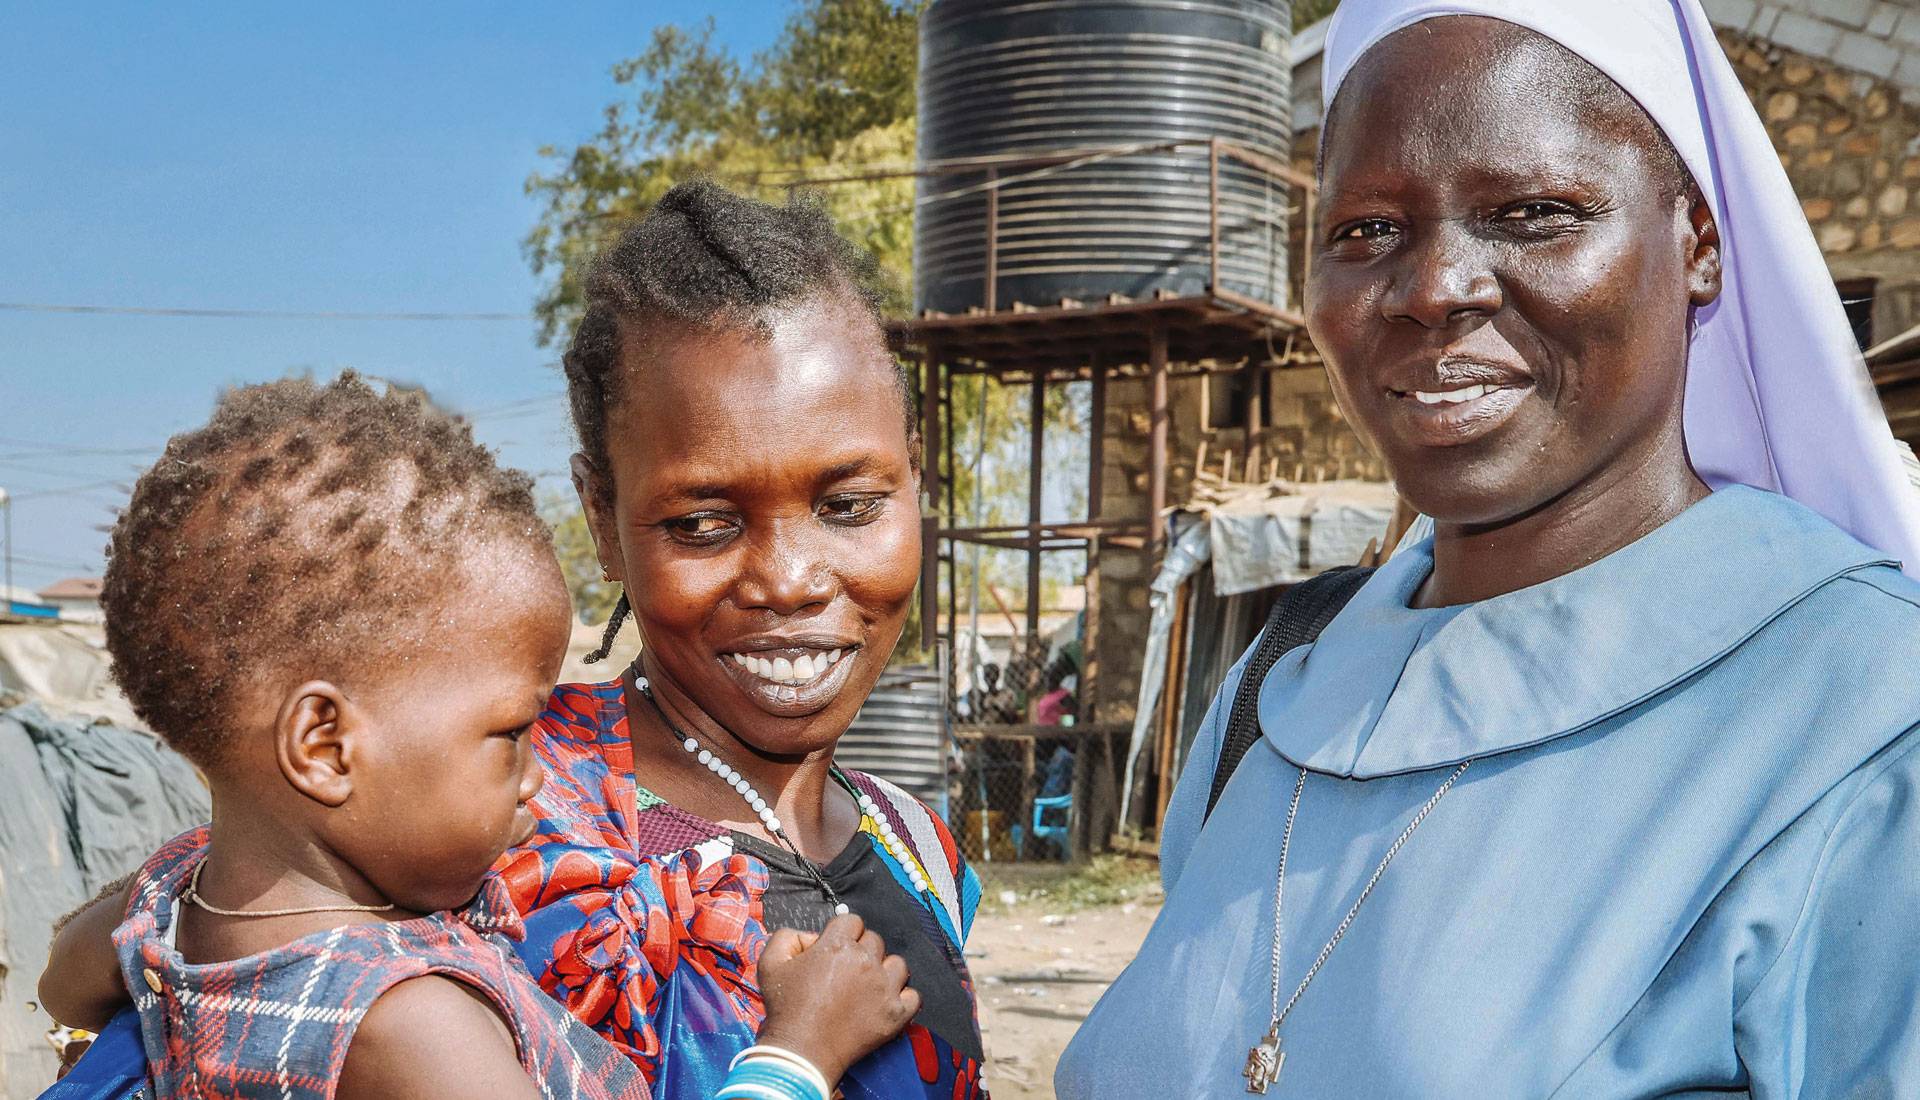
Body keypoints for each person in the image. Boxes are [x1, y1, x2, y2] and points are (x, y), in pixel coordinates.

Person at [1058, 1, 1920, 1095]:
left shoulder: (1866, 724)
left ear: (1698, 241)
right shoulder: (1275, 690)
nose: (1430, 291)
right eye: (1367, 230)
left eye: (1532, 213)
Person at [36, 373, 918, 1100]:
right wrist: (799, 1050)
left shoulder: (166, 899)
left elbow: (62, 984)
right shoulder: (413, 1027)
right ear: (325, 747)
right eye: (509, 733)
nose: (541, 777)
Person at [491, 181, 988, 1099]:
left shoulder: (916, 844)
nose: (790, 580)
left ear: (916, 479)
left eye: (850, 507)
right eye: (705, 525)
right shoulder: (503, 820)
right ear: (602, 517)